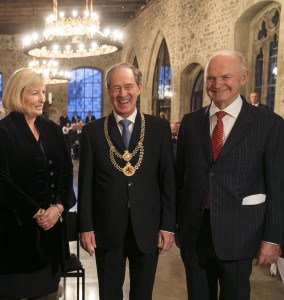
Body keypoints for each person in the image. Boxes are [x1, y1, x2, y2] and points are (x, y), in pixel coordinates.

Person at [175, 51, 284, 300]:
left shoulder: (269, 124)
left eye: (226, 77)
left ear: (243, 77)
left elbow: (278, 186)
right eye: (211, 78)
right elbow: (181, 178)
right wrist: (177, 226)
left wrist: (273, 239)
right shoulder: (191, 123)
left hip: (241, 234)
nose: (217, 84)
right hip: (195, 234)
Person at [78, 62, 175, 300]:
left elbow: (167, 181)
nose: (123, 94)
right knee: (109, 294)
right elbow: (86, 185)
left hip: (148, 227)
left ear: (139, 88)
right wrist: (86, 226)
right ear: (109, 91)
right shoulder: (92, 132)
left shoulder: (158, 129)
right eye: (116, 88)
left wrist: (168, 225)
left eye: (128, 87)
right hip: (107, 226)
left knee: (143, 294)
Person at [0, 68, 76, 300]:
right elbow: (2, 181)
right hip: (14, 235)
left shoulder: (52, 130)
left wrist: (59, 207)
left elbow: (66, 173)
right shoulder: (3, 132)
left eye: (43, 92)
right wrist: (36, 212)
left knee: (49, 295)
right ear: (17, 94)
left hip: (51, 235)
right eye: (35, 93)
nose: (42, 98)